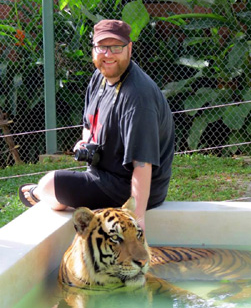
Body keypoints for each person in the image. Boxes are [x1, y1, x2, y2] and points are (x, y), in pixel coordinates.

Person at [19, 19, 175, 231]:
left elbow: (142, 165)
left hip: (124, 188)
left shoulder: (137, 97)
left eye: (116, 47)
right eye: (102, 47)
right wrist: (86, 142)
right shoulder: (100, 77)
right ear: (93, 49)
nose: (108, 55)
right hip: (104, 174)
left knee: (48, 184)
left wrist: (136, 221)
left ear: (129, 48)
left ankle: (37, 194)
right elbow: (89, 123)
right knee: (56, 184)